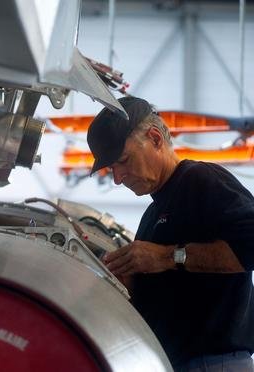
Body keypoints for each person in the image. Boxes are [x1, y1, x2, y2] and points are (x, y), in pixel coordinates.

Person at [86, 96, 254, 371]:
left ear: (155, 138)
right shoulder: (152, 216)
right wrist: (126, 280)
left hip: (213, 362)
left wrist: (168, 257)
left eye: (124, 161)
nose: (117, 178)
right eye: (112, 169)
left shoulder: (202, 181)